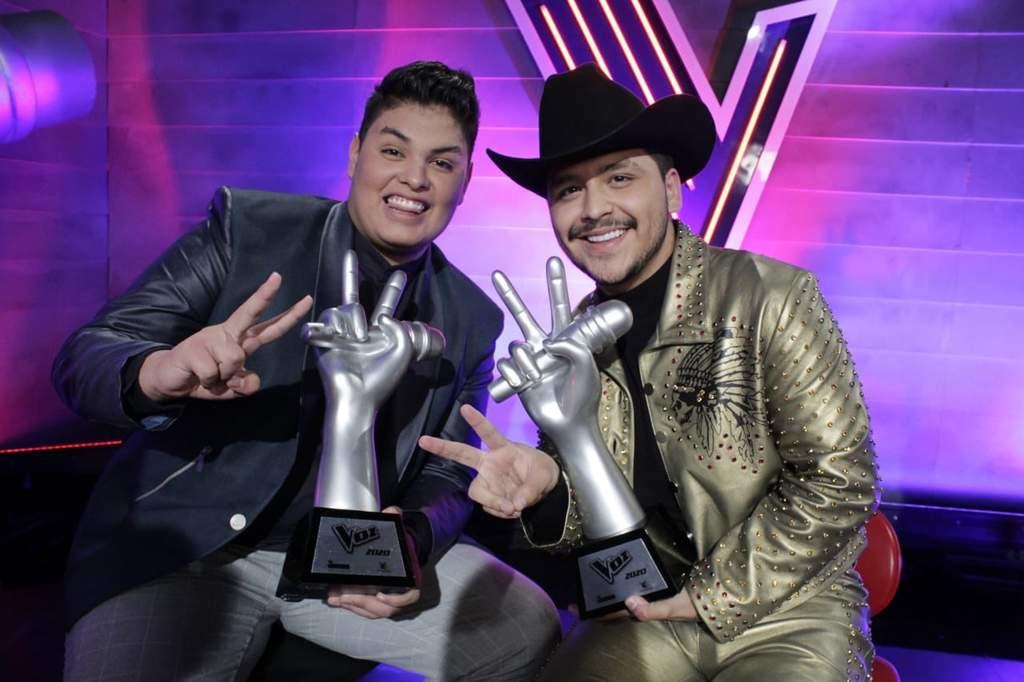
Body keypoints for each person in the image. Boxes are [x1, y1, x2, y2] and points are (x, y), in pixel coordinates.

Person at [54, 60, 560, 681]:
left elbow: (447, 468)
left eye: (441, 162)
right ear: (354, 154)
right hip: (189, 548)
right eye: (393, 150)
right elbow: (88, 353)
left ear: (465, 180)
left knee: (521, 627)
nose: (414, 178)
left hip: (340, 566)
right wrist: (155, 372)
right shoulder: (248, 229)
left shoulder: (471, 317)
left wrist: (412, 541)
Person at [419, 63, 880, 681]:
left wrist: (709, 597)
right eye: (568, 190)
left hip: (788, 613)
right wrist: (547, 486)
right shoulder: (571, 340)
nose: (594, 208)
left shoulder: (769, 296)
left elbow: (840, 479)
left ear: (669, 188)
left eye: (619, 177)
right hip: (644, 615)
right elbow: (593, 522)